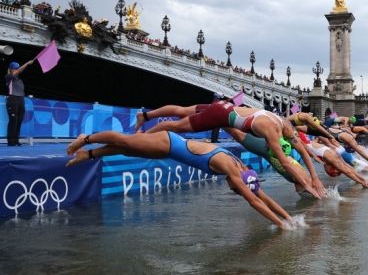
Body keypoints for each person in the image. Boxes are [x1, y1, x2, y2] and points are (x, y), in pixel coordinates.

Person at [66, 131, 296, 229]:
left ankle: (90, 154)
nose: (232, 187)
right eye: (235, 189)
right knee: (125, 141)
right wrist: (281, 225)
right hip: (170, 143)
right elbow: (255, 202)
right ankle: (85, 139)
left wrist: (289, 219)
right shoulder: (234, 173)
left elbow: (262, 196)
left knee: (128, 151)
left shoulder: (243, 169)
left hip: (170, 150)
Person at [134, 101, 324, 198]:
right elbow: (284, 161)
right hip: (219, 116)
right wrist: (307, 185)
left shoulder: (281, 121)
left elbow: (301, 147)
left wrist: (314, 176)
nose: (290, 140)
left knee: (181, 111)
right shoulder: (272, 131)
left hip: (224, 107)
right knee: (175, 126)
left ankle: (145, 115)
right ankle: (142, 138)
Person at [4, 60, 34, 146]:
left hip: (21, 100)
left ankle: (16, 140)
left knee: (19, 120)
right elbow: (20, 71)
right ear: (10, 69)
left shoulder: (20, 80)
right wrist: (27, 63)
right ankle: (11, 141)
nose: (16, 70)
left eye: (17, 68)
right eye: (15, 68)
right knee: (13, 120)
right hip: (13, 99)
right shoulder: (8, 77)